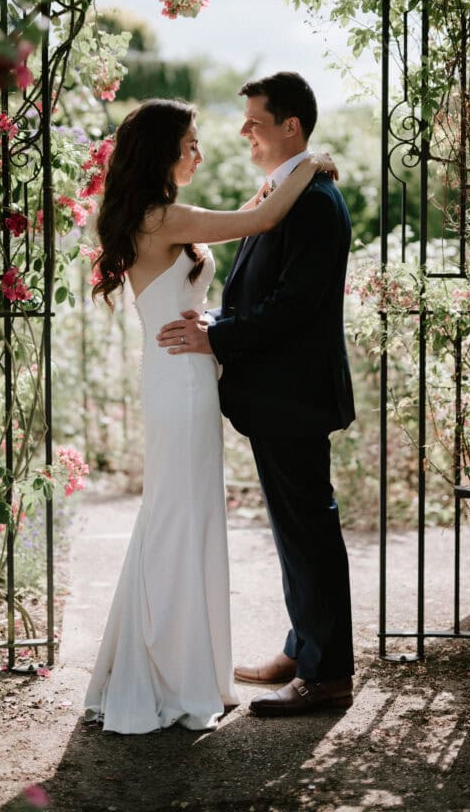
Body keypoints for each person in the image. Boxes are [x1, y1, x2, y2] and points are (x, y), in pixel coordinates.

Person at [83, 97, 337, 734]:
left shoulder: (160, 215)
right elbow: (268, 215)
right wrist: (311, 165)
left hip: (185, 378)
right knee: (179, 515)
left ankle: (176, 665)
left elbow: (252, 216)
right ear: (164, 153)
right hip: (180, 384)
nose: (199, 153)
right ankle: (170, 674)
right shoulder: (164, 215)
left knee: (182, 514)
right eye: (190, 144)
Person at [157, 72, 356, 717]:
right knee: (295, 529)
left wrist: (218, 336)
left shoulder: (315, 201)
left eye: (256, 121)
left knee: (309, 530)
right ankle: (303, 648)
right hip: (277, 396)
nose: (243, 131)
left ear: (291, 126)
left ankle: (326, 675)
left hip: (293, 395)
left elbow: (293, 308)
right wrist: (217, 321)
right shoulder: (288, 190)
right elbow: (261, 291)